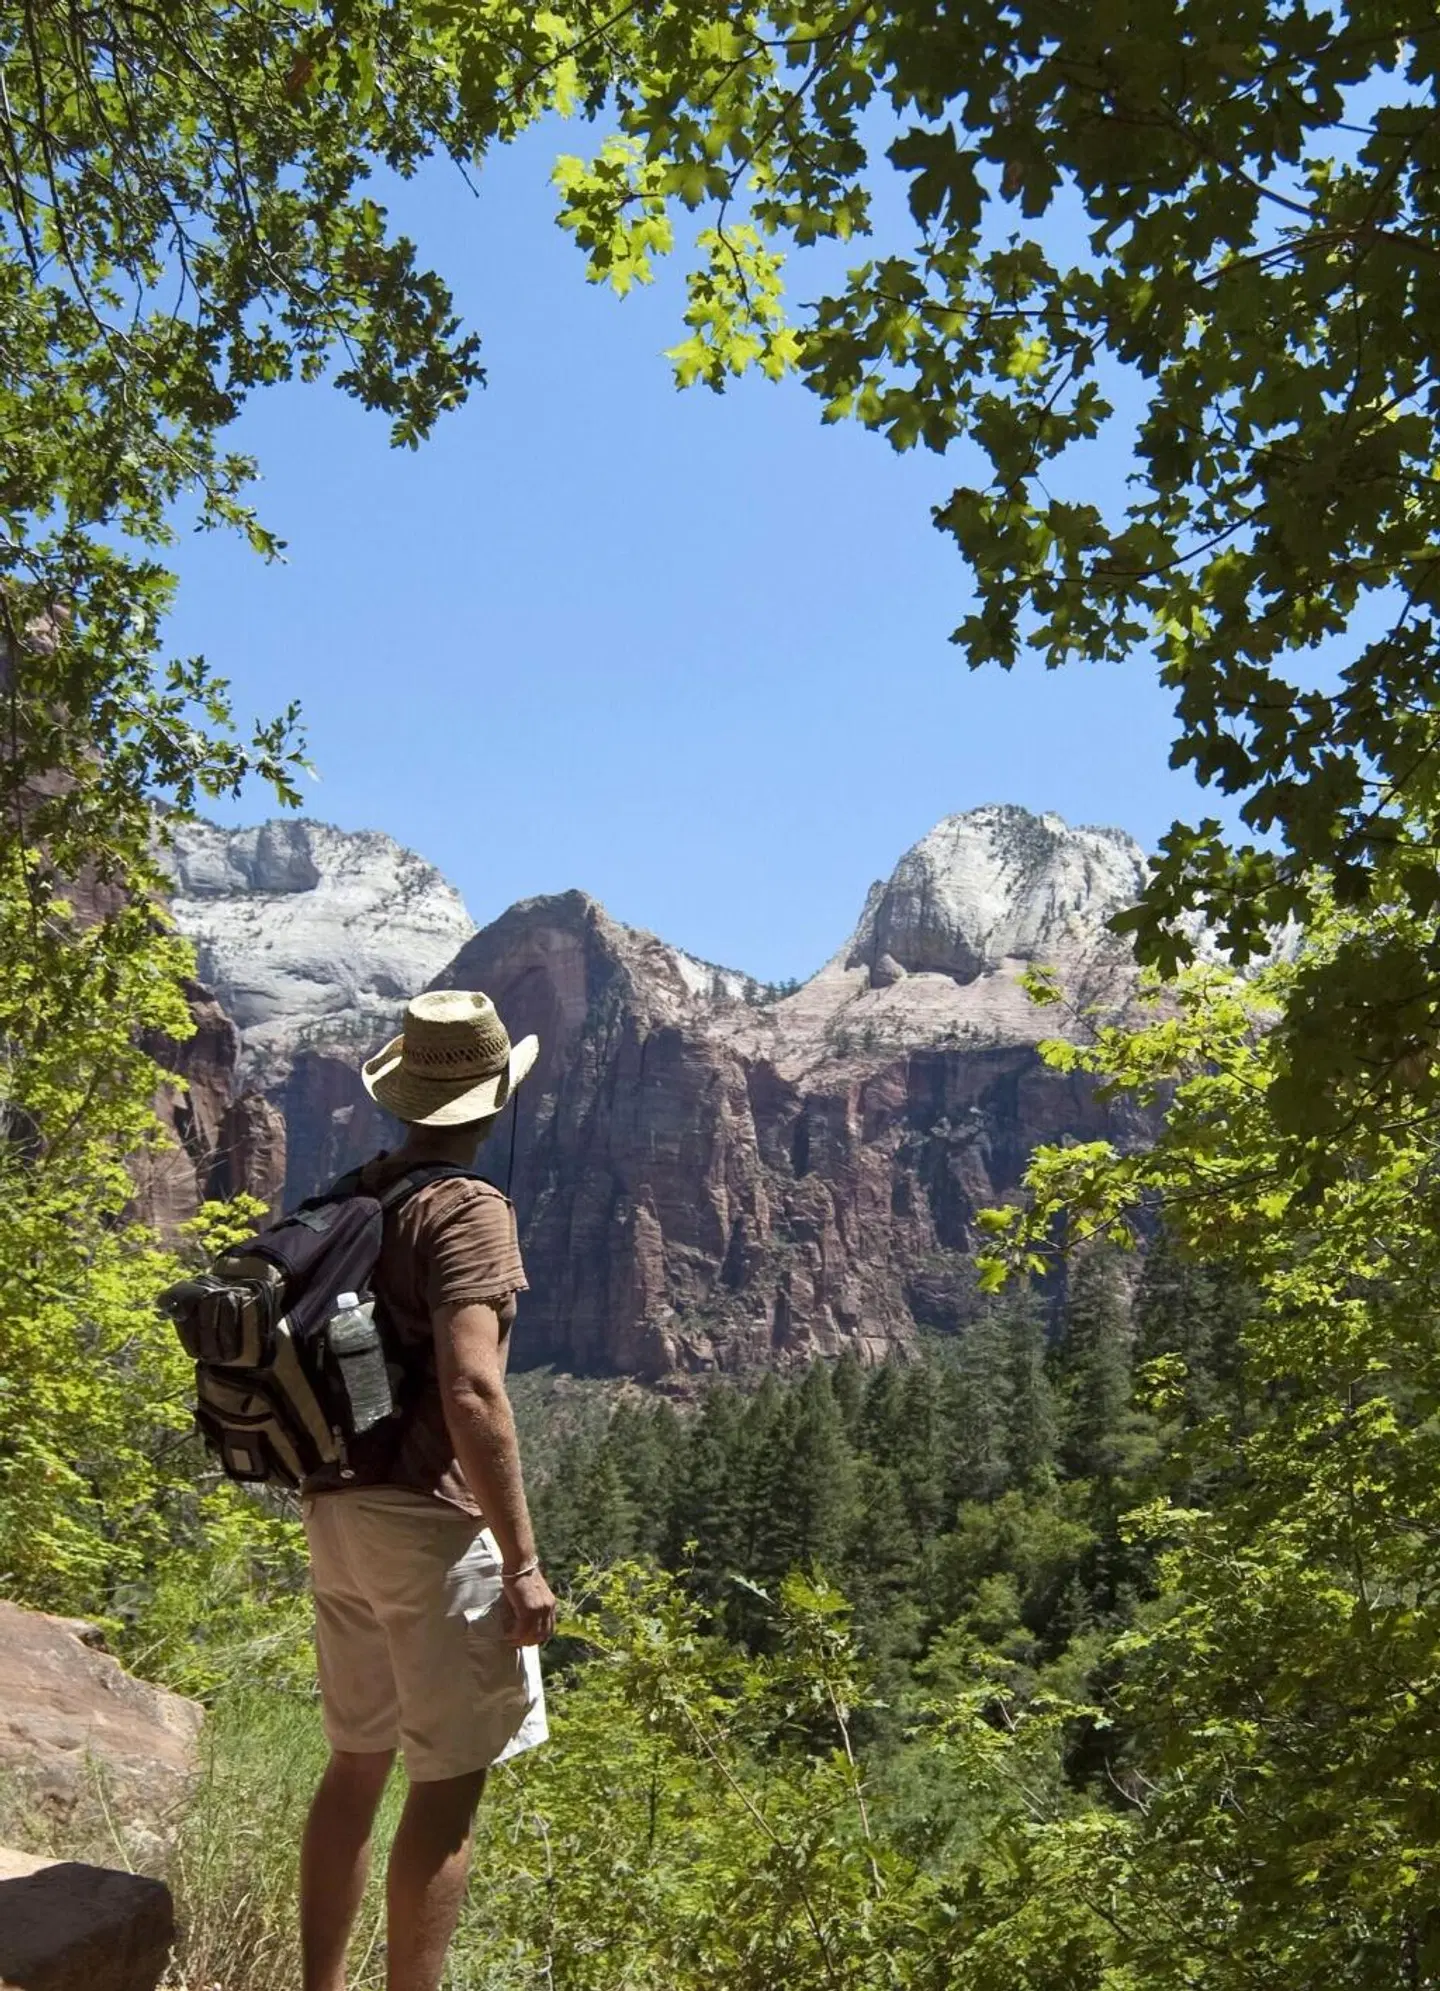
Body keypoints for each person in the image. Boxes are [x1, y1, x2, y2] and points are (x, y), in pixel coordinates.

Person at [297, 989, 557, 1991]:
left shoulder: (355, 1193)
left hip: (335, 1507)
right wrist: (523, 1560)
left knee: (355, 1762)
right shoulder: (468, 1205)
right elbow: (472, 1386)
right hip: (428, 1525)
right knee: (445, 1787)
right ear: (493, 1098)